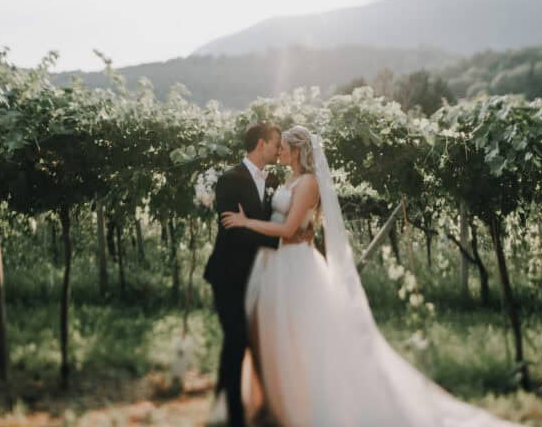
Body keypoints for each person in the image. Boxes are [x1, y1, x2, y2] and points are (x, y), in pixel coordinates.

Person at [222, 126, 519, 426]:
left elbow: (288, 230)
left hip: (296, 267)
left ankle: (310, 406)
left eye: (284, 146)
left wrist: (246, 224)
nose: (279, 150)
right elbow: (286, 222)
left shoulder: (309, 182)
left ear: (297, 150)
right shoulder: (288, 179)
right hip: (274, 267)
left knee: (305, 337)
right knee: (279, 336)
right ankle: (280, 403)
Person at [203, 121, 281, 427]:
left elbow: (268, 220)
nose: (278, 149)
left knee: (238, 341)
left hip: (261, 275)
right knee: (236, 338)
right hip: (228, 274)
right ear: (261, 143)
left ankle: (223, 402)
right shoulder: (229, 179)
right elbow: (231, 229)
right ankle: (235, 417)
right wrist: (278, 239)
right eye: (275, 143)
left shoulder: (274, 179)